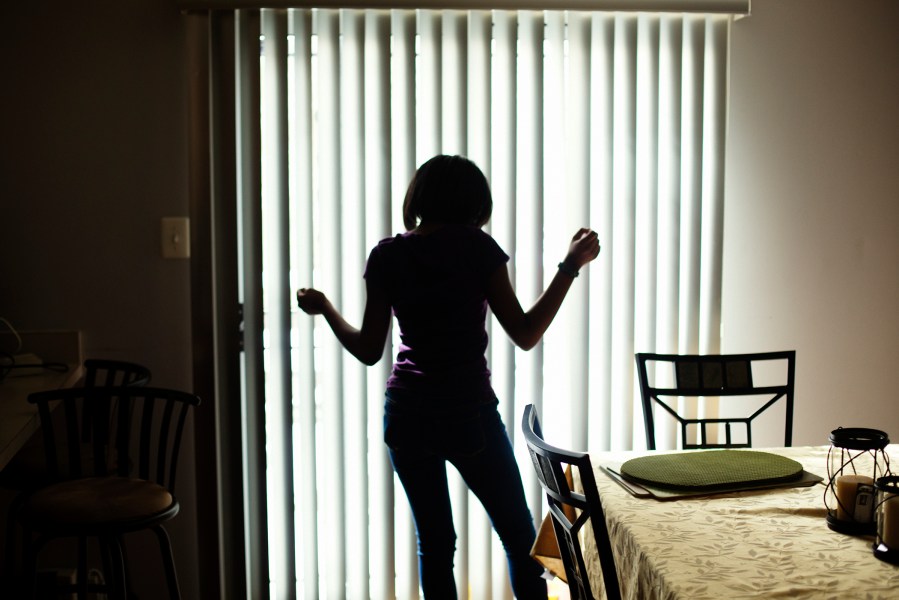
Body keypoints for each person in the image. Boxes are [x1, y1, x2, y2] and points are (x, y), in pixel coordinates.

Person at [296, 154, 600, 599]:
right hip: (466, 411)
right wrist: (570, 265)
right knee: (519, 536)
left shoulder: (387, 255)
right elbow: (526, 333)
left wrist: (326, 308)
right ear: (475, 203)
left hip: (406, 414)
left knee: (436, 545)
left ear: (419, 197)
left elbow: (368, 350)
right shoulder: (477, 249)